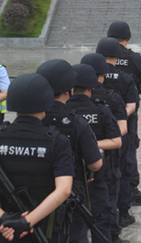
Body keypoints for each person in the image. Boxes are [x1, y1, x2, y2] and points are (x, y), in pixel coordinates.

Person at [0, 74, 73, 243]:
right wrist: (25, 222)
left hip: (4, 231)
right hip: (43, 227)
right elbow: (64, 190)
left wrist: (5, 220)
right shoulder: (57, 140)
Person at [36, 60, 103, 243]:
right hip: (71, 197)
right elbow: (95, 164)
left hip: (34, 198)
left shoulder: (36, 119)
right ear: (69, 90)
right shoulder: (77, 123)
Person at [66, 64, 122, 243]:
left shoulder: (63, 112)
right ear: (91, 88)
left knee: (73, 223)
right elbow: (117, 141)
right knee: (100, 220)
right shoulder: (101, 110)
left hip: (67, 177)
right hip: (95, 176)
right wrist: (91, 146)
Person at [80, 54, 129, 243]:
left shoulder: (66, 108)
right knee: (105, 208)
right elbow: (119, 136)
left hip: (72, 173)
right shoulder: (106, 104)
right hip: (104, 167)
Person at [106, 21, 141, 206]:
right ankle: (130, 188)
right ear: (127, 39)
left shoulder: (100, 57)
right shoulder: (134, 58)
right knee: (129, 147)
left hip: (103, 112)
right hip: (128, 111)